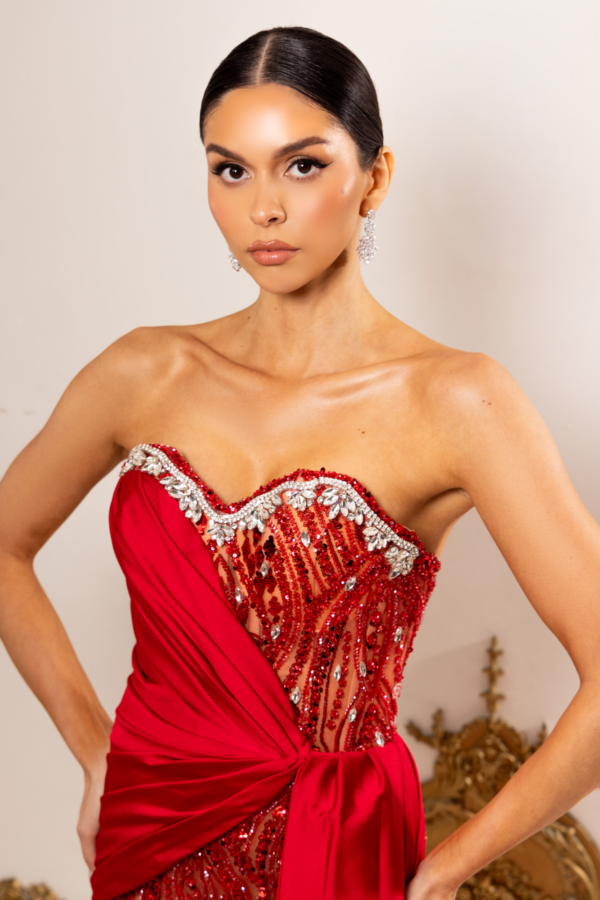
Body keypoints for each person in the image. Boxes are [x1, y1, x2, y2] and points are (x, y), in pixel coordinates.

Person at [1, 23, 599, 900]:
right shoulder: (143, 372)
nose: (263, 208)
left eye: (304, 164)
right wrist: (97, 751)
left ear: (376, 178)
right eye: (230, 169)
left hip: (334, 846)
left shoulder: (457, 401)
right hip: (152, 829)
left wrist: (442, 874)